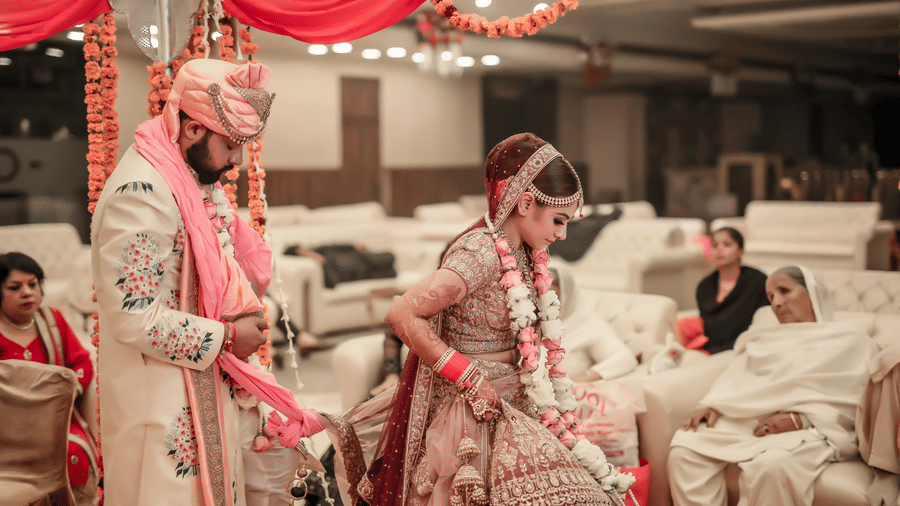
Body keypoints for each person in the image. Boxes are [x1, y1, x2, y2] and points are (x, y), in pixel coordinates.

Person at [320, 133, 632, 506]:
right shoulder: (480, 252)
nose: (562, 234)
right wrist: (467, 376)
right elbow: (402, 314)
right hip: (471, 411)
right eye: (559, 220)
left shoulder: (525, 253)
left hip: (519, 398)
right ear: (526, 203)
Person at [91, 58, 313, 505]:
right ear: (192, 130)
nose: (237, 161)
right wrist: (228, 336)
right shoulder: (142, 195)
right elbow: (132, 318)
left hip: (199, 385)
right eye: (232, 144)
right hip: (158, 401)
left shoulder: (189, 182)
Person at [668, 265, 876, 506]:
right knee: (684, 451)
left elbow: (858, 400)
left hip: (809, 428)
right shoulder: (764, 338)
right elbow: (737, 378)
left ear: (812, 293)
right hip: (748, 421)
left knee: (770, 466)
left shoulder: (851, 339)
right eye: (770, 296)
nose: (776, 302)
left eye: (785, 291)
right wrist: (712, 405)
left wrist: (802, 420)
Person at [0, 252, 97, 503]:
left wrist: (68, 389)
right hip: (7, 429)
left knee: (72, 453)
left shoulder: (52, 320)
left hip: (55, 423)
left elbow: (82, 362)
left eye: (33, 284)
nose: (27, 292)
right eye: (14, 287)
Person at [679, 227, 769, 354]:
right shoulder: (704, 286)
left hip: (746, 348)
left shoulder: (757, 281)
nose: (719, 249)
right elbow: (707, 326)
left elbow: (764, 320)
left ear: (741, 251)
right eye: (715, 245)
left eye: (727, 244)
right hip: (708, 348)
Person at [552, 264, 637, 383]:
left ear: (567, 296)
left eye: (551, 294)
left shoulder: (588, 325)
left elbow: (624, 359)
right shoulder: (525, 322)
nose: (542, 300)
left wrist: (583, 378)